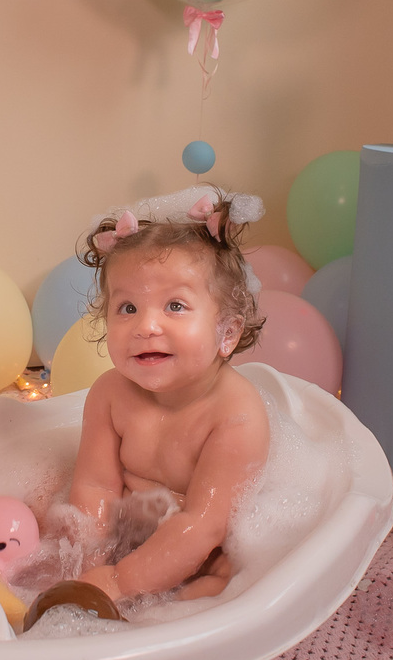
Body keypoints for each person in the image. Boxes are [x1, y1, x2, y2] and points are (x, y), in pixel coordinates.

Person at [67, 185, 270, 603]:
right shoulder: (109, 394)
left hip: (202, 547)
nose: (147, 326)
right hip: (130, 532)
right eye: (127, 308)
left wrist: (121, 583)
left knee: (223, 581)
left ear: (227, 332)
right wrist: (92, 560)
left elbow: (203, 523)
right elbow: (95, 487)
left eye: (174, 306)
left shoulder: (235, 414)